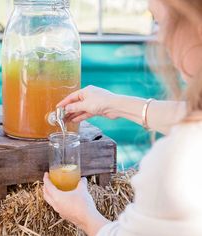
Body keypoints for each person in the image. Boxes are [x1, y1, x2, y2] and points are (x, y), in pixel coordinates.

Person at [43, 0, 202, 235]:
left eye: (159, 22)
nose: (160, 39)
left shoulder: (176, 166)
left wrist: (84, 215)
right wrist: (113, 104)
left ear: (194, 24)